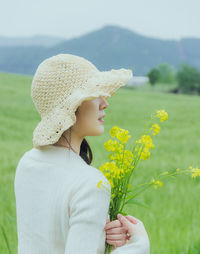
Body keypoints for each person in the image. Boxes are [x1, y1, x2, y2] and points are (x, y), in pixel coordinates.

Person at [14, 53, 150, 253]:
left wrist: (99, 234)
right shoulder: (91, 183)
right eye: (95, 94)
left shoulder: (28, 163)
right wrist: (138, 244)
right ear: (72, 106)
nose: (105, 103)